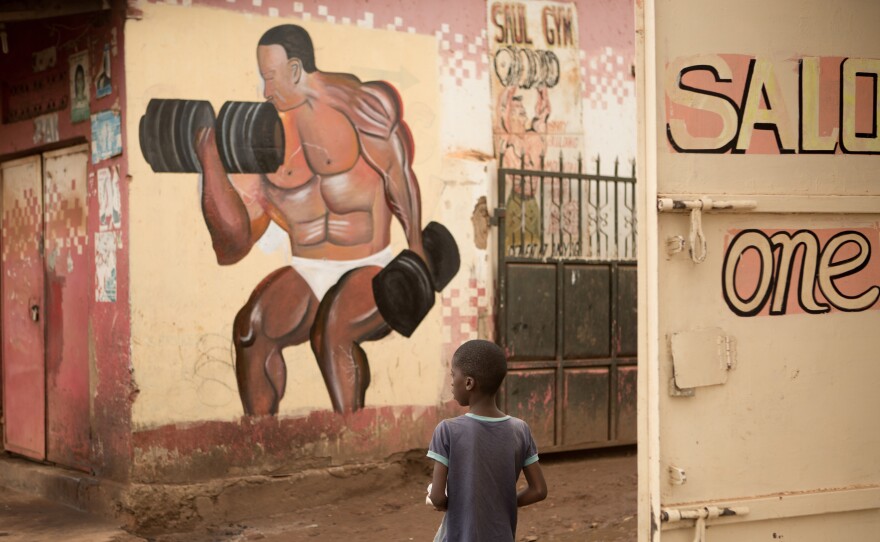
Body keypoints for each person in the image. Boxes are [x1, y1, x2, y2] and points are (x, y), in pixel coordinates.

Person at [194, 24, 427, 415]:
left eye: (270, 77)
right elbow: (231, 246)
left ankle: (352, 448)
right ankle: (262, 448)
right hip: (308, 268)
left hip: (370, 265)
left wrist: (417, 248)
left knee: (331, 330)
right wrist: (210, 160)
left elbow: (397, 172)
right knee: (251, 330)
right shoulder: (258, 136)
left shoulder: (359, 106)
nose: (265, 90)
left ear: (296, 69)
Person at [427, 339, 548, 541]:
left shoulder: (447, 430)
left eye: (453, 375)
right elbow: (539, 490)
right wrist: (501, 503)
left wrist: (447, 501)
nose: (451, 382)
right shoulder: (520, 430)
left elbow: (438, 498)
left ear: (468, 382)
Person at [496, 84, 550, 252]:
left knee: (533, 246)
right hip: (515, 201)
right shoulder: (509, 140)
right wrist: (510, 88)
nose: (522, 117)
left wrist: (542, 92)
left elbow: (542, 116)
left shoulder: (534, 138)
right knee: (511, 246)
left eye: (523, 113)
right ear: (509, 118)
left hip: (532, 201)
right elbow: (501, 110)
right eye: (516, 113)